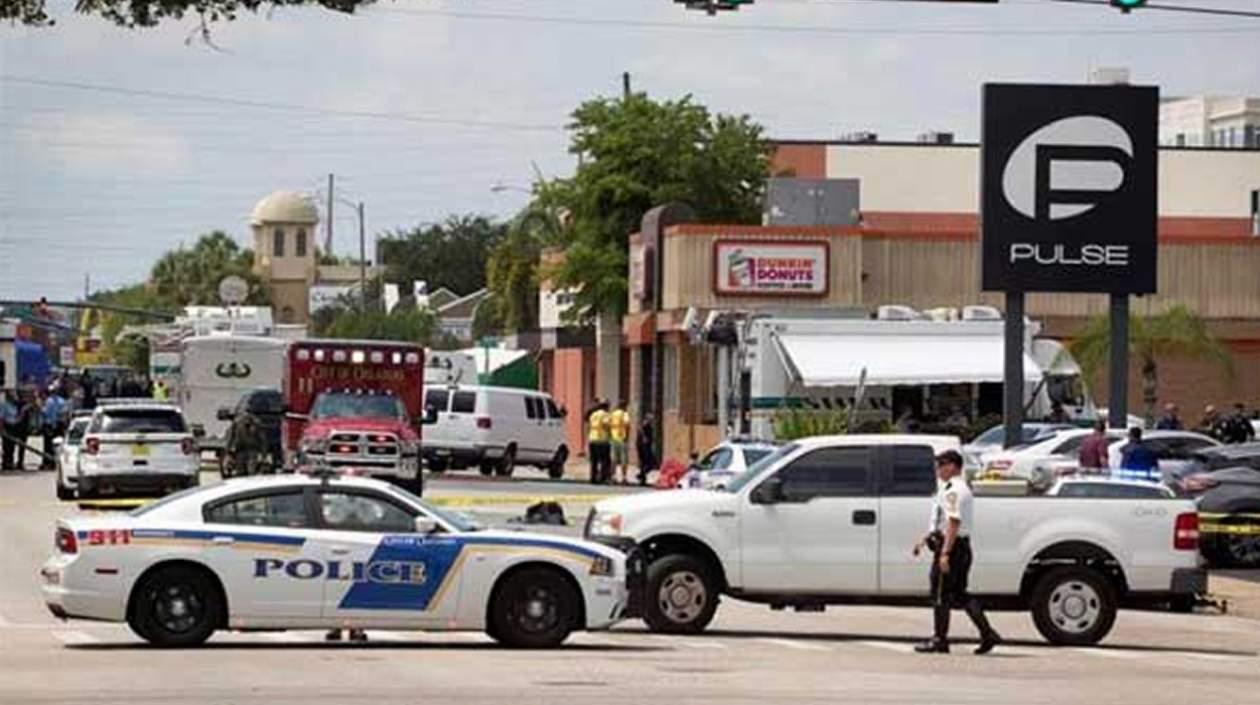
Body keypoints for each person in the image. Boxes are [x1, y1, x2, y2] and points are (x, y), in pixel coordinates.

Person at [913, 450, 1001, 655]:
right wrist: (925, 540)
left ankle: (939, 639)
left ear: (952, 466)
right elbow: (944, 522)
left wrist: (945, 553)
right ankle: (988, 634)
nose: (938, 470)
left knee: (940, 594)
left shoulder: (954, 490)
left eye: (940, 465)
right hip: (959, 547)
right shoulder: (955, 488)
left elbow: (953, 522)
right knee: (960, 594)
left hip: (952, 548)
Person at [40, 389, 67, 471]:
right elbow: (64, 413)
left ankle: (48, 463)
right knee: (58, 445)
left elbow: (46, 412)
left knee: (47, 445)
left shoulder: (49, 401)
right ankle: (56, 462)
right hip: (59, 425)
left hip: (49, 425)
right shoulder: (62, 401)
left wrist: (40, 407)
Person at [587, 399, 611, 485]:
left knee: (594, 461)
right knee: (605, 460)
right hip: (602, 440)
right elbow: (606, 424)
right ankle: (602, 478)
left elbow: (589, 424)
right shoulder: (605, 415)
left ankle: (593, 478)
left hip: (592, 439)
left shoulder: (593, 415)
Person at [609, 402, 632, 484]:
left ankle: (613, 476)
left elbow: (609, 425)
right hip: (622, 438)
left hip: (613, 438)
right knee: (623, 459)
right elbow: (627, 425)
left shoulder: (612, 414)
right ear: (624, 406)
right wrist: (627, 436)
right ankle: (624, 477)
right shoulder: (624, 414)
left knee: (613, 459)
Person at [635, 413, 658, 486]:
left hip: (646, 446)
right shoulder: (645, 424)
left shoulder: (648, 426)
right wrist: (644, 437)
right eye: (651, 419)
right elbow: (640, 429)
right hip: (643, 447)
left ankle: (641, 477)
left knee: (647, 463)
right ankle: (642, 477)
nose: (652, 420)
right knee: (650, 463)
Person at [1, 391, 19, 471]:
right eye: (13, 395)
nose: (15, 397)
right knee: (6, 446)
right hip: (7, 426)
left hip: (13, 427)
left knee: (12, 446)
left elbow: (16, 418)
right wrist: (2, 429)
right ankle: (5, 463)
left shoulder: (14, 406)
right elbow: (1, 418)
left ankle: (10, 463)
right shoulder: (4, 405)